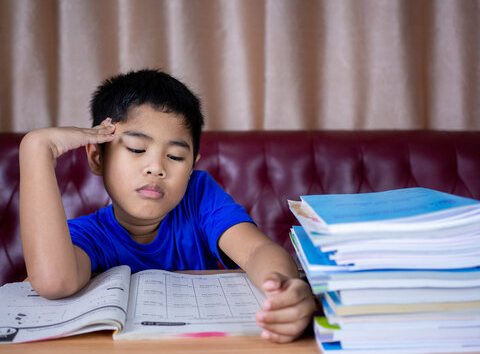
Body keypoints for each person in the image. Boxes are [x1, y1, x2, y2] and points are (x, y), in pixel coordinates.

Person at [19, 69, 315, 343]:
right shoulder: (89, 235)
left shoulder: (198, 197)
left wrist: (286, 289)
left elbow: (256, 250)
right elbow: (53, 281)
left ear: (190, 167)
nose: (156, 168)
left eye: (174, 156)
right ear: (97, 157)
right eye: (137, 149)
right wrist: (36, 148)